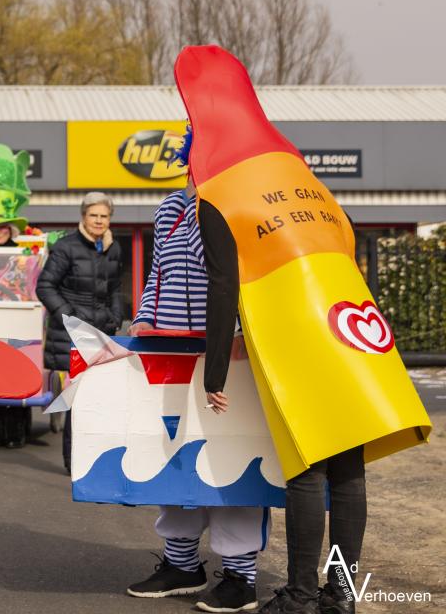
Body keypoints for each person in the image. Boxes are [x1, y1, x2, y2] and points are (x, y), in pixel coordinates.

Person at [175, 45, 428, 614]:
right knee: (348, 471)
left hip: (293, 334)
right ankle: (341, 596)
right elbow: (346, 246)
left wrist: (214, 371)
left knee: (307, 471)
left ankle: (301, 594)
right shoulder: (304, 177)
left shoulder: (218, 193)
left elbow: (224, 286)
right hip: (351, 330)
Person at [125, 165, 267, 613]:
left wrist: (245, 332)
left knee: (233, 460)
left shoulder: (243, 202)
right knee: (174, 455)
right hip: (171, 351)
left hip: (232, 353)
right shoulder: (169, 207)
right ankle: (182, 564)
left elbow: (254, 278)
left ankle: (241, 576)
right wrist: (146, 316)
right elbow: (158, 275)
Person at [35, 191, 123, 472]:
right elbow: (45, 287)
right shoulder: (65, 247)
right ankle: (75, 462)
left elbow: (116, 289)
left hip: (103, 333)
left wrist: (116, 316)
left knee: (103, 400)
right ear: (83, 217)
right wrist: (71, 318)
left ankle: (97, 458)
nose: (99, 221)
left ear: (110, 219)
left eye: (104, 216)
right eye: (93, 215)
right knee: (79, 401)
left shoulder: (114, 248)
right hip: (73, 336)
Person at [0, 220, 31, 448]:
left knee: (16, 374)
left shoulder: (21, 254)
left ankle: (17, 432)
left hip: (16, 317)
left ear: (11, 229)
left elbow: (25, 284)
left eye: (3, 227)